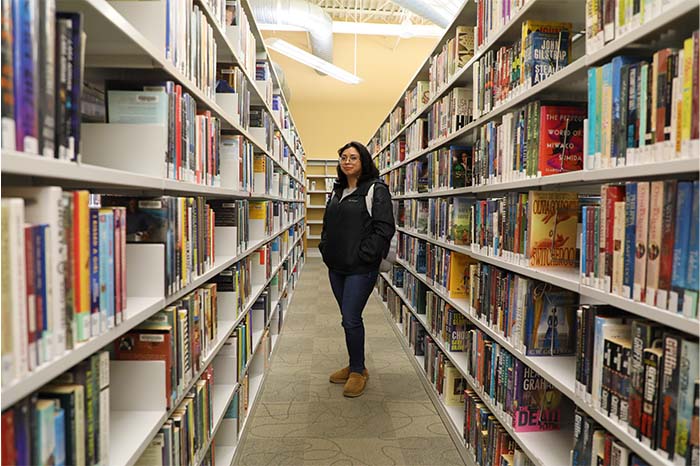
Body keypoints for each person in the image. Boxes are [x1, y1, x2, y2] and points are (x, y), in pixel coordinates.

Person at [319, 141, 395, 398]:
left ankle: (358, 370)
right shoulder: (337, 190)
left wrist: (366, 255)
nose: (347, 161)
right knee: (348, 319)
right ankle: (356, 366)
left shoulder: (376, 189)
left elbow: (384, 228)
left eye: (353, 157)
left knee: (351, 317)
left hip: (360, 268)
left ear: (363, 161)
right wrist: (325, 248)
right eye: (343, 157)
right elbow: (328, 224)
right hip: (336, 266)